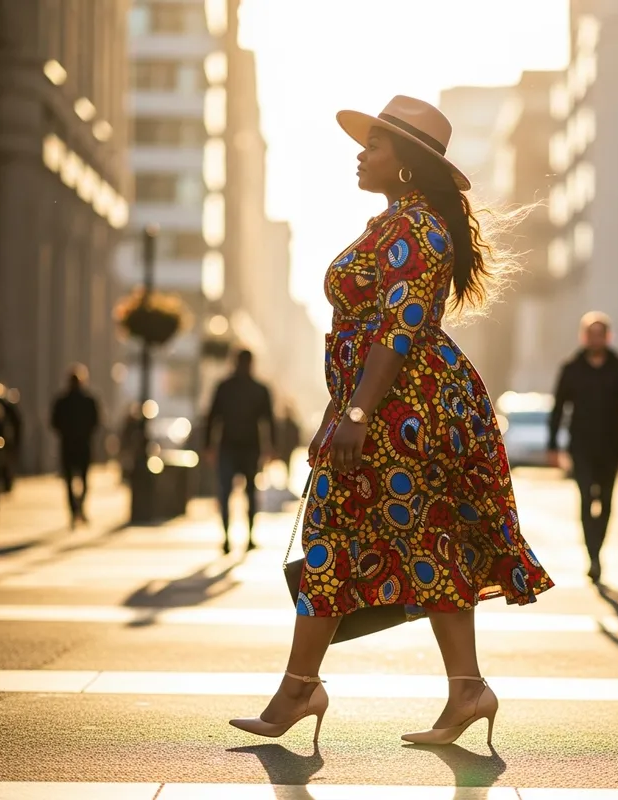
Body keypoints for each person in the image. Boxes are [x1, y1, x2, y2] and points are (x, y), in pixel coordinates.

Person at [229, 96, 553, 745]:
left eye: (374, 145)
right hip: (389, 407)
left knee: (380, 534)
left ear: (405, 164)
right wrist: (338, 409)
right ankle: (457, 690)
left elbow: (399, 328)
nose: (361, 153)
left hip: (410, 412)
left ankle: (309, 688)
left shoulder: (417, 229)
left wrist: (355, 411)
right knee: (397, 537)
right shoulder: (393, 225)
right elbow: (364, 334)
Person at [546, 312, 618, 584]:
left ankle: (597, 549)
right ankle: (593, 557)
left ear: (608, 337)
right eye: (591, 334)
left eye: (601, 334)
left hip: (612, 445)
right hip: (581, 446)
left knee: (607, 500)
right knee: (587, 498)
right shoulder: (571, 368)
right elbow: (557, 409)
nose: (596, 338)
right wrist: (553, 445)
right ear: (584, 337)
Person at [205, 350, 276, 554]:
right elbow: (269, 420)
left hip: (231, 446)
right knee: (250, 493)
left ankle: (228, 538)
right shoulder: (259, 389)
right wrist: (271, 447)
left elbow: (212, 417)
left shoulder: (225, 387)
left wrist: (209, 446)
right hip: (248, 446)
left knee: (226, 492)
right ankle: (247, 538)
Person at [51, 366, 100, 527]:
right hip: (82, 445)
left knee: (70, 480)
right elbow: (96, 422)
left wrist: (66, 432)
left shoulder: (62, 401)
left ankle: (75, 510)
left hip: (69, 445)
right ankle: (78, 509)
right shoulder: (88, 400)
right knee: (83, 480)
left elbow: (54, 422)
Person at [0, 385, 22, 493]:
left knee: (5, 463)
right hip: (5, 440)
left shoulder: (6, 407)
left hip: (4, 440)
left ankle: (7, 482)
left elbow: (15, 423)